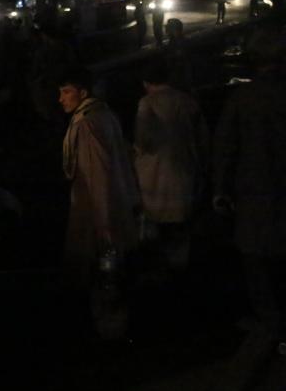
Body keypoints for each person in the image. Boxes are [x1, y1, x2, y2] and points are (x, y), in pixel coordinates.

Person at [212, 28, 286, 351]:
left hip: (254, 190)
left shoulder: (242, 98)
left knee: (256, 260)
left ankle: (270, 322)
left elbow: (226, 147)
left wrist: (221, 189)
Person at [58, 66, 140, 336]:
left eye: (66, 92)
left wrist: (103, 224)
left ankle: (108, 328)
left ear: (82, 93)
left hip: (95, 212)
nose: (61, 99)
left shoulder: (86, 123)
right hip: (115, 203)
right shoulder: (104, 114)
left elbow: (97, 175)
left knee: (101, 271)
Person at [134, 57, 210, 279]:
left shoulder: (147, 104)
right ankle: (180, 277)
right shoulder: (188, 102)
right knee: (180, 234)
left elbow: (142, 141)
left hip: (154, 181)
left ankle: (160, 279)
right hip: (184, 177)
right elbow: (203, 142)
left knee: (155, 235)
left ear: (145, 82)